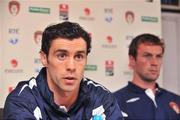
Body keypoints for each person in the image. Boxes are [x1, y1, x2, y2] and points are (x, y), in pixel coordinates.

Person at [4, 21, 123, 120]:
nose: (71, 66)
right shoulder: (22, 101)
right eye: (61, 56)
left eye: (78, 56)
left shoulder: (102, 98)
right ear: (44, 58)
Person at [114, 33, 180, 120]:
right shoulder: (114, 102)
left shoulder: (176, 100)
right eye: (147, 56)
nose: (154, 63)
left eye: (158, 56)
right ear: (132, 60)